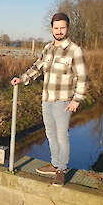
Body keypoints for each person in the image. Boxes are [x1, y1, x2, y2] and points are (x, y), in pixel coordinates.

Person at [10, 12, 88, 186]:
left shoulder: (75, 50)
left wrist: (76, 100)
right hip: (47, 99)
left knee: (61, 135)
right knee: (50, 134)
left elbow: (82, 77)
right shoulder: (47, 48)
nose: (59, 31)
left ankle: (61, 170)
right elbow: (37, 68)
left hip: (64, 100)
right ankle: (54, 164)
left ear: (67, 28)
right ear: (52, 28)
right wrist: (22, 79)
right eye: (56, 28)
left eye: (62, 28)